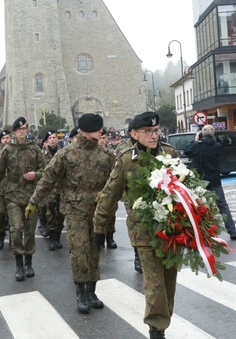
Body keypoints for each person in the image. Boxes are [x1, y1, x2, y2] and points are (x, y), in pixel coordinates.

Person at [93, 111, 179, 339]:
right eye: (148, 131)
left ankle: (161, 322)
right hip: (143, 231)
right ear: (133, 133)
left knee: (169, 280)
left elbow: (183, 187)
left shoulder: (169, 153)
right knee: (155, 283)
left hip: (171, 230)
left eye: (156, 130)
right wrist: (99, 228)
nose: (153, 135)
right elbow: (110, 195)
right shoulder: (125, 159)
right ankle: (156, 330)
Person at [26, 113, 115, 314]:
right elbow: (48, 179)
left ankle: (92, 290)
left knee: (94, 251)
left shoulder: (107, 155)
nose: (101, 132)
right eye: (98, 129)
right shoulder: (67, 154)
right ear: (87, 130)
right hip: (75, 211)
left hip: (98, 212)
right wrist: (34, 201)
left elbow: (116, 182)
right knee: (79, 251)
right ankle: (81, 292)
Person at [0, 117, 46, 281]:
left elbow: (46, 171)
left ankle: (28, 262)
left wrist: (35, 175)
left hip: (31, 197)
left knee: (29, 232)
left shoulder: (35, 149)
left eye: (24, 128)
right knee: (16, 229)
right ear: (14, 132)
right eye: (19, 129)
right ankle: (19, 264)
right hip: (13, 195)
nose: (22, 131)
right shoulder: (7, 150)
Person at [184, 124, 236, 241]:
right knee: (223, 206)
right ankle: (232, 230)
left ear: (202, 134)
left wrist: (196, 141)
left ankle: (202, 232)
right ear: (213, 134)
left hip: (201, 182)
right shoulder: (218, 146)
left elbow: (187, 151)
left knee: (199, 206)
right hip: (215, 180)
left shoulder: (197, 146)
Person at [42, 130, 64, 251]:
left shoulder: (63, 153)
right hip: (48, 188)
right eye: (50, 138)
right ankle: (52, 239)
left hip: (61, 187)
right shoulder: (42, 155)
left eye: (54, 138)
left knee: (60, 214)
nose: (52, 140)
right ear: (46, 141)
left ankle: (58, 238)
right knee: (50, 214)